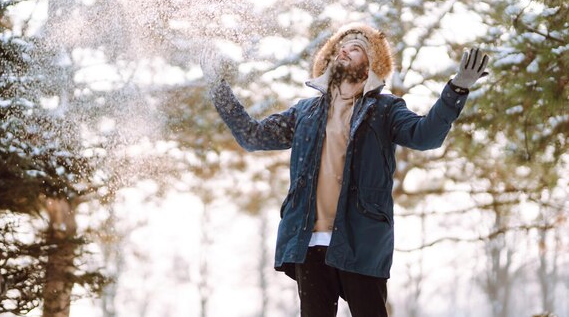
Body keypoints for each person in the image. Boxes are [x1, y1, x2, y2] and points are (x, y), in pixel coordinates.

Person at [200, 22, 489, 317]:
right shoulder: (305, 112)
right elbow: (253, 136)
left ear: (371, 64)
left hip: (360, 239)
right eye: (341, 47)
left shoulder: (385, 109)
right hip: (308, 240)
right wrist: (217, 89)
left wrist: (457, 89)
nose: (344, 51)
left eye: (355, 48)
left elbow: (425, 135)